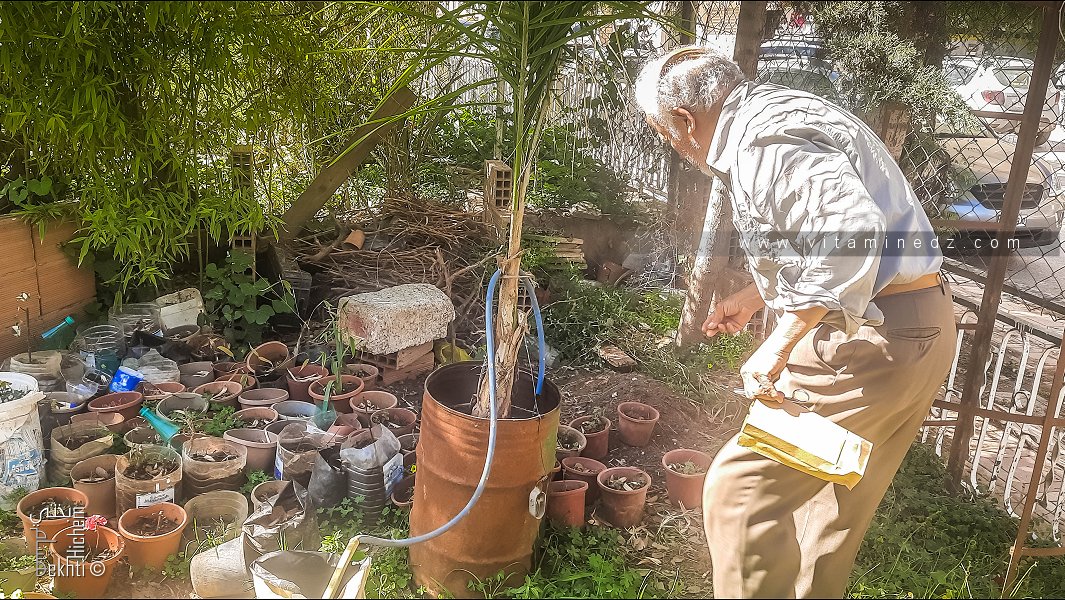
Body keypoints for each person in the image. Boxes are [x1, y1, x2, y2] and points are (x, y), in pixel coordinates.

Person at [634, 46, 956, 598]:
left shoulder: (761, 142)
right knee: (827, 515)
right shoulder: (781, 110)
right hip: (919, 327)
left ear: (685, 120)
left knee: (740, 494)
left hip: (865, 347)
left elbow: (852, 231)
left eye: (665, 133)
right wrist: (756, 296)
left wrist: (781, 341)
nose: (674, 146)